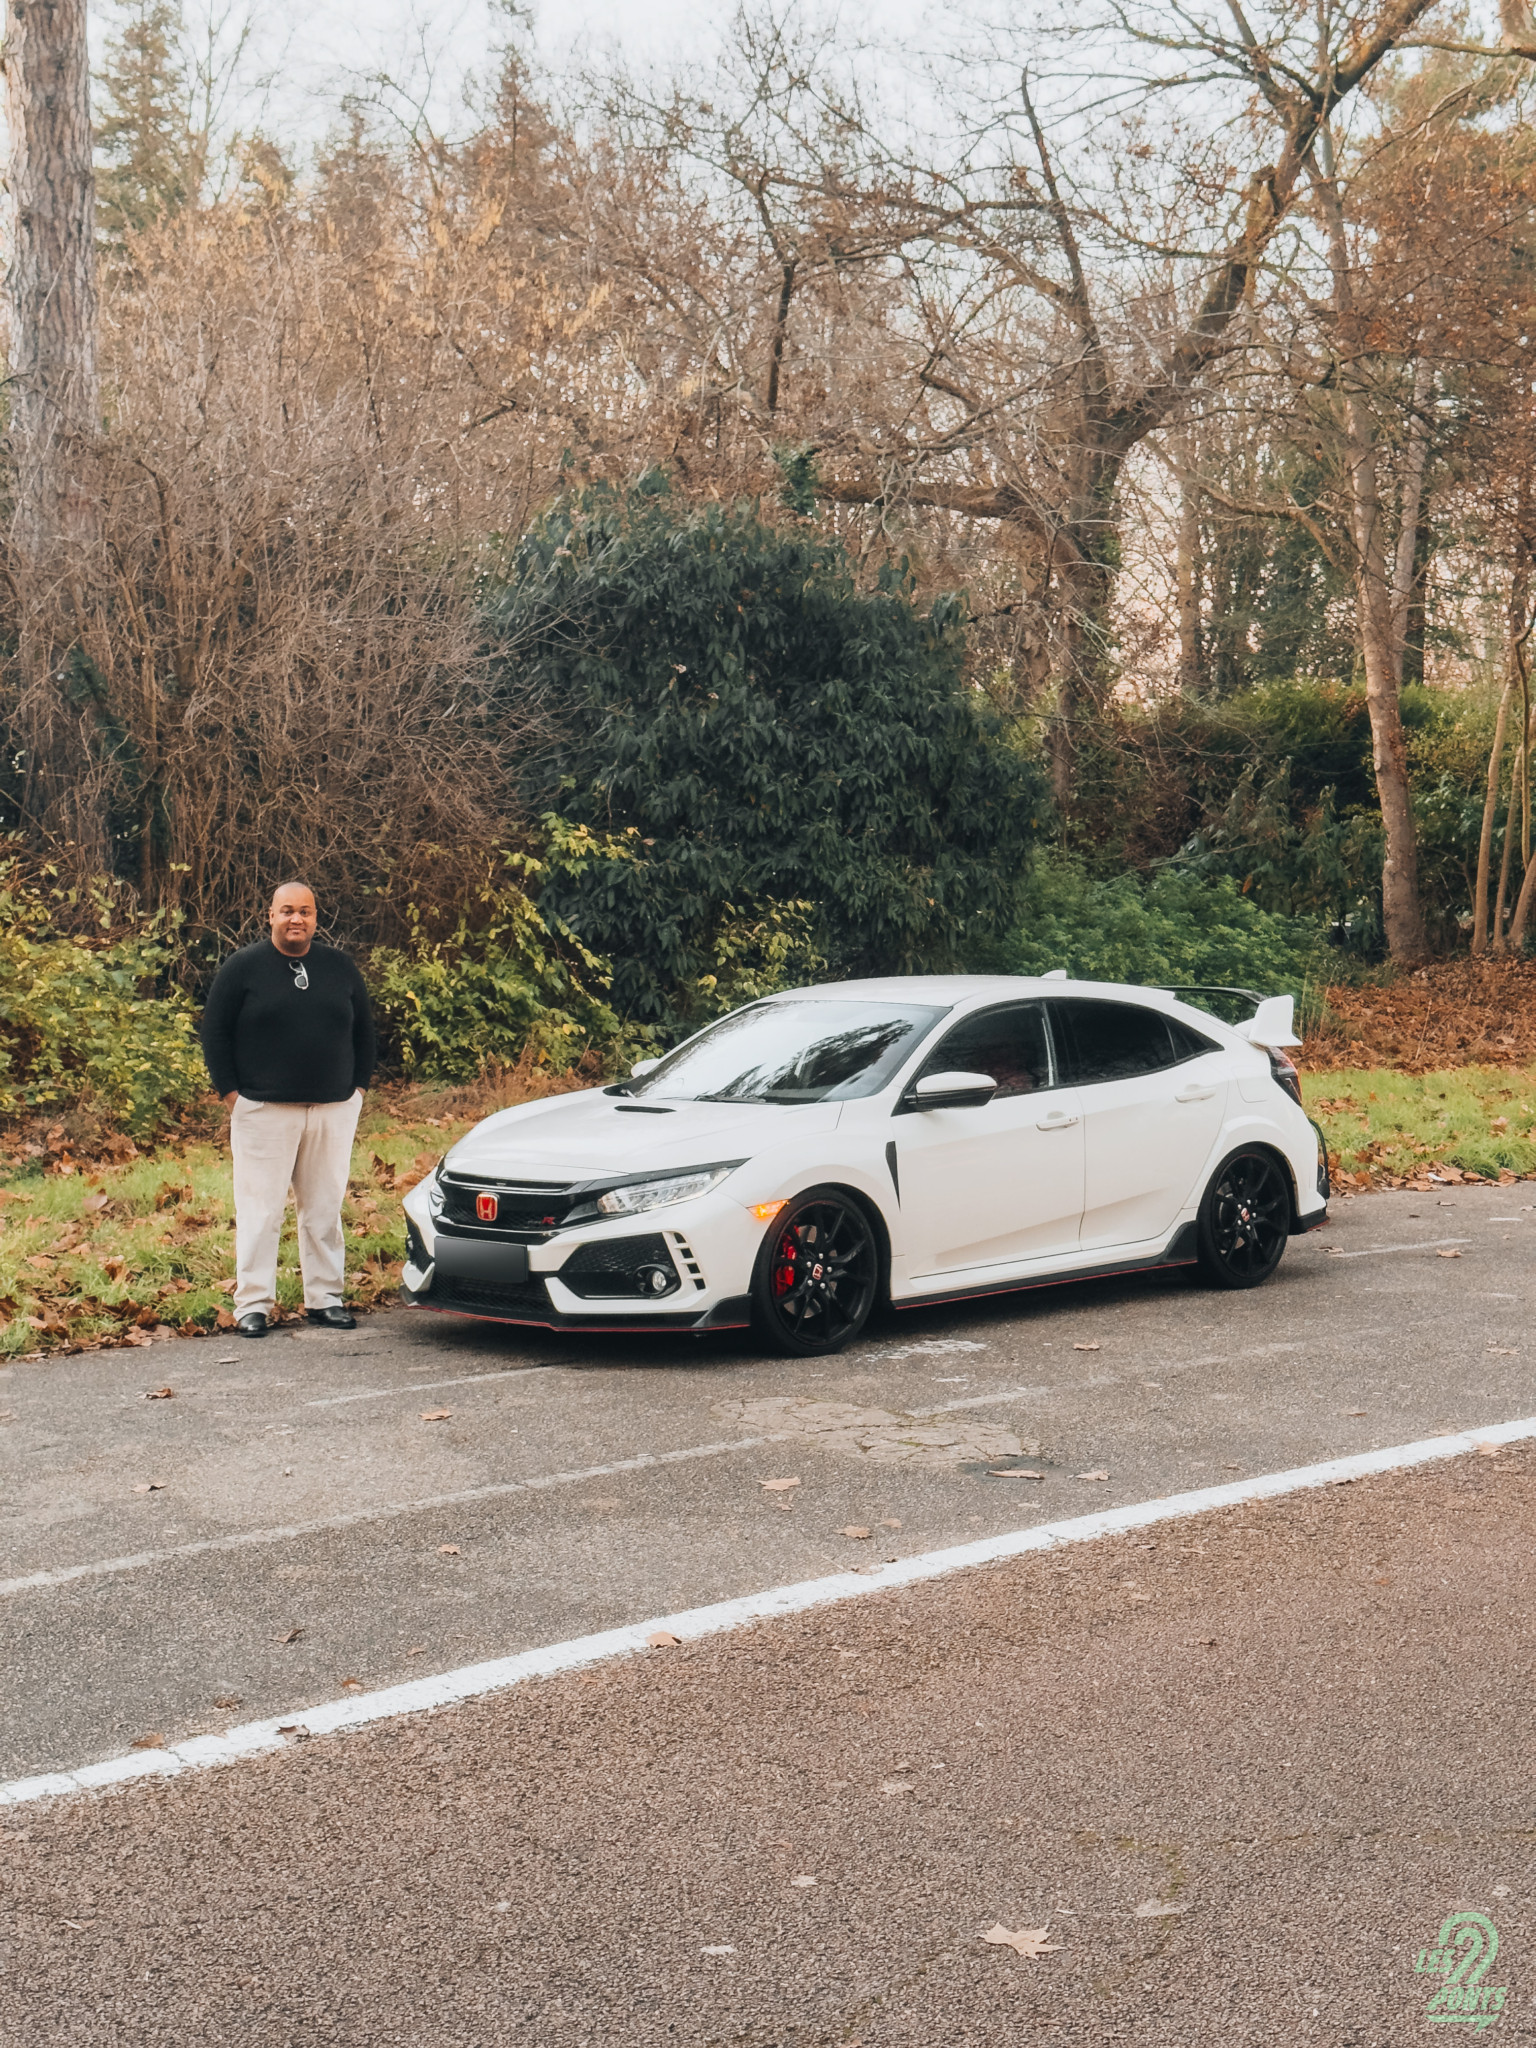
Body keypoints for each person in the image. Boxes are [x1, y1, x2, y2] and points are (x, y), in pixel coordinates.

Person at [201, 882, 377, 1339]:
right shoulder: (244, 968)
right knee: (261, 1211)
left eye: (305, 911)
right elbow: (214, 1032)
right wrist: (232, 1095)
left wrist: (357, 1090)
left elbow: (366, 1034)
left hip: (333, 1108)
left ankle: (325, 1297)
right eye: (287, 911)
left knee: (323, 1208)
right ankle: (253, 1303)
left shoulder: (339, 967)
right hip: (263, 1109)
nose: (295, 919)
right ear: (270, 916)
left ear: (316, 918)